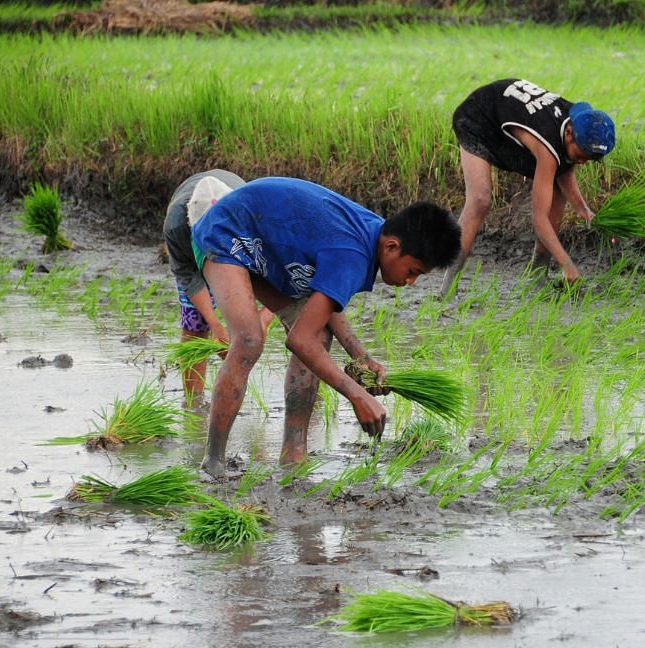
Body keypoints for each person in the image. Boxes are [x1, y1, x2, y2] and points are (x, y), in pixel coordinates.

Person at [190, 177, 461, 477]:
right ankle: (213, 461)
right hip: (226, 233)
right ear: (392, 246)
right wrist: (358, 395)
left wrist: (360, 356)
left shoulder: (372, 237)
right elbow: (299, 340)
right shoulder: (354, 254)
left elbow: (321, 308)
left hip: (269, 249)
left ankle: (293, 455)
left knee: (319, 334)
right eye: (412, 272)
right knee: (250, 339)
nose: (410, 282)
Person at [441, 78, 616, 298]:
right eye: (581, 155)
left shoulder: (579, 123)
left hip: (513, 117)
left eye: (589, 159)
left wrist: (584, 210)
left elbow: (567, 167)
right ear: (569, 134)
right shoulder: (548, 144)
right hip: (479, 117)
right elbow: (539, 219)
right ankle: (447, 289)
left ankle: (537, 279)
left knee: (557, 194)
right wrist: (567, 265)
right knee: (480, 199)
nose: (582, 162)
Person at [162, 169, 274, 407]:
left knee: (276, 320)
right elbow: (187, 275)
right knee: (195, 325)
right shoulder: (176, 226)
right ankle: (194, 404)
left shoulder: (254, 218)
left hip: (240, 246)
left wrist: (262, 319)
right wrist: (215, 324)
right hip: (192, 251)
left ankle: (307, 396)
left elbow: (280, 274)